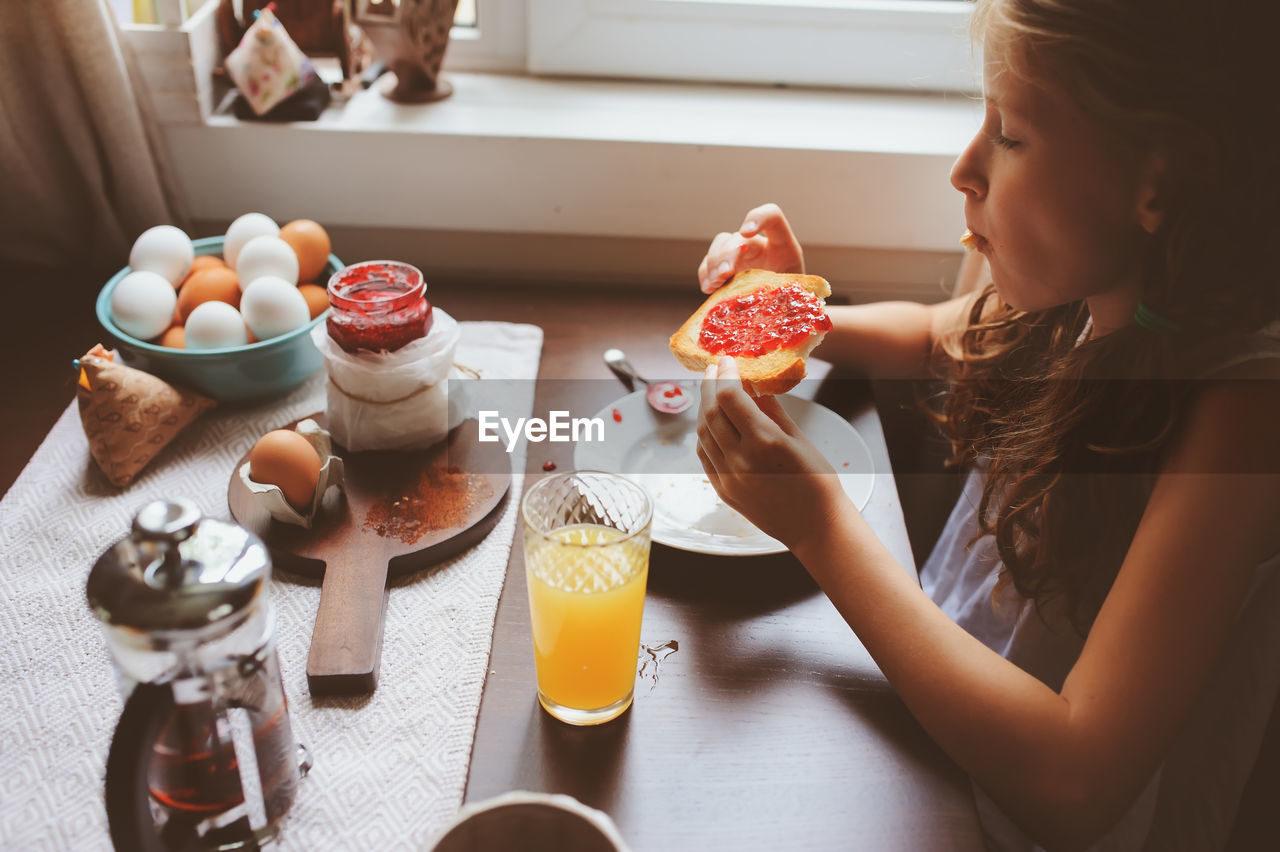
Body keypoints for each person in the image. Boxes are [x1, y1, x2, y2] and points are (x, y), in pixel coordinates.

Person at [692, 0, 1280, 849]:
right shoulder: (1084, 293)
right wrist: (793, 312)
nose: (965, 168)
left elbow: (1075, 783)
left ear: (1155, 182)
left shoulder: (1241, 418)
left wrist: (817, 525)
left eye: (1011, 134)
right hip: (932, 742)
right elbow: (938, 338)